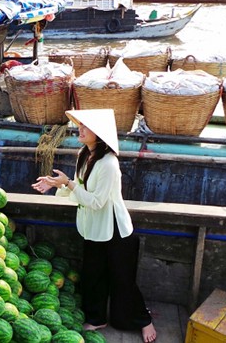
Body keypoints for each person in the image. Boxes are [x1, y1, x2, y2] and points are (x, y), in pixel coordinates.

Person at [32, 109, 157, 343]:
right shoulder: (83, 154)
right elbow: (79, 191)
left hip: (115, 231)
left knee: (122, 280)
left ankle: (144, 320)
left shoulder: (109, 164)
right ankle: (98, 318)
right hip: (93, 228)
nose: (80, 129)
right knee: (92, 275)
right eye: (80, 125)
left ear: (98, 134)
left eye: (85, 127)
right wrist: (56, 185)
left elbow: (97, 202)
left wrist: (67, 183)